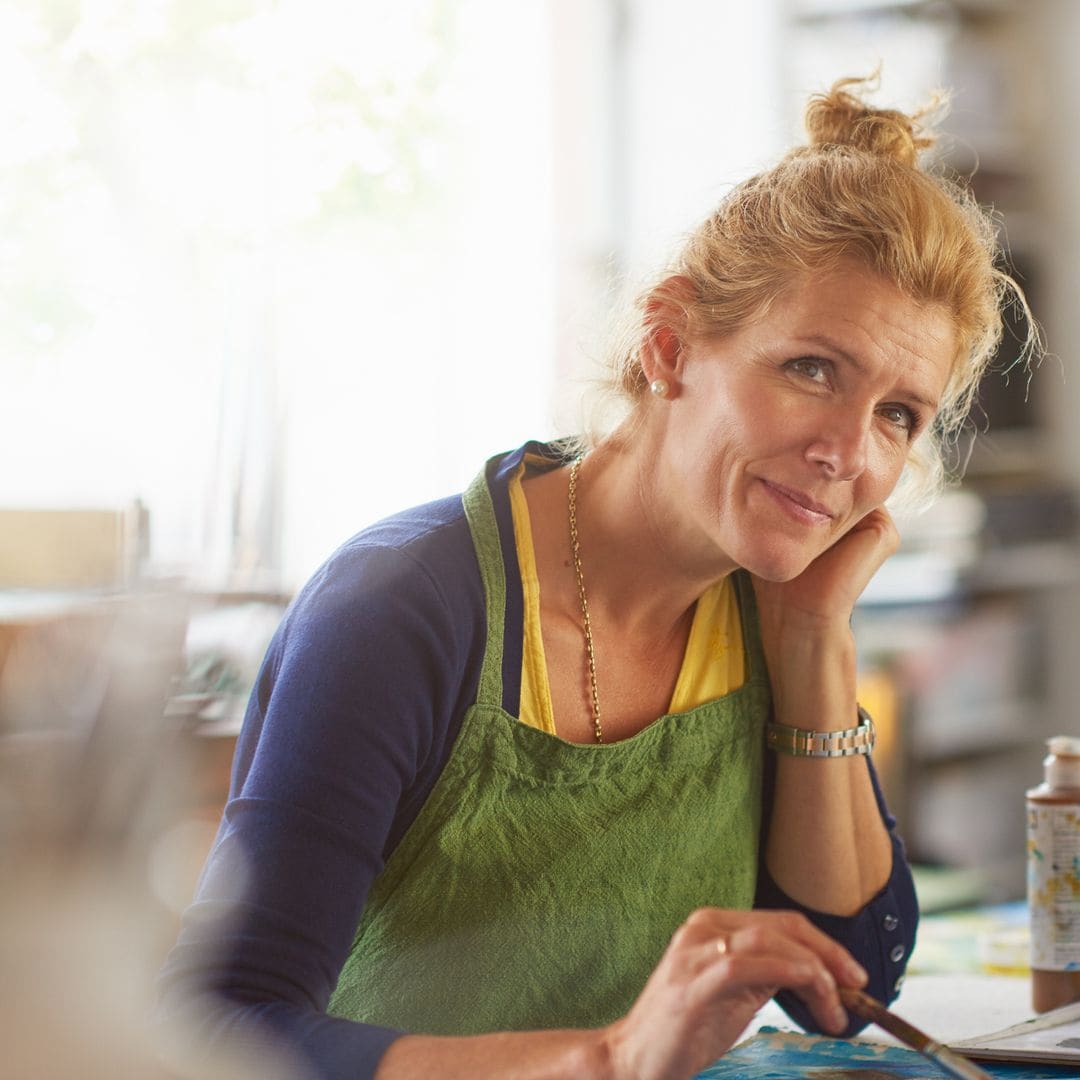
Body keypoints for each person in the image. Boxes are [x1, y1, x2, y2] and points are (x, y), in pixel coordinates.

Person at [158, 75, 1033, 1080]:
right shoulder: (400, 611)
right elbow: (218, 1028)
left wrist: (812, 635)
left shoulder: (765, 597)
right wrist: (608, 1059)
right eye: (811, 369)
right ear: (667, 345)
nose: (848, 451)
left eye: (898, 416)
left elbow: (846, 986)